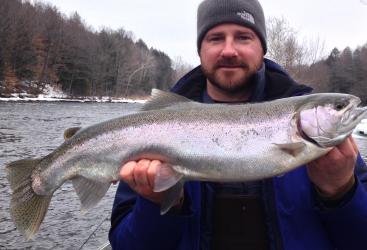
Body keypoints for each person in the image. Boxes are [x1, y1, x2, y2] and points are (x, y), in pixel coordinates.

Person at [109, 0, 367, 249]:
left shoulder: (335, 152)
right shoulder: (155, 127)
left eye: (243, 37)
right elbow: (125, 244)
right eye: (215, 38)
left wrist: (342, 192)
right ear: (200, 50)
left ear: (262, 48)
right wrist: (158, 203)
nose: (229, 50)